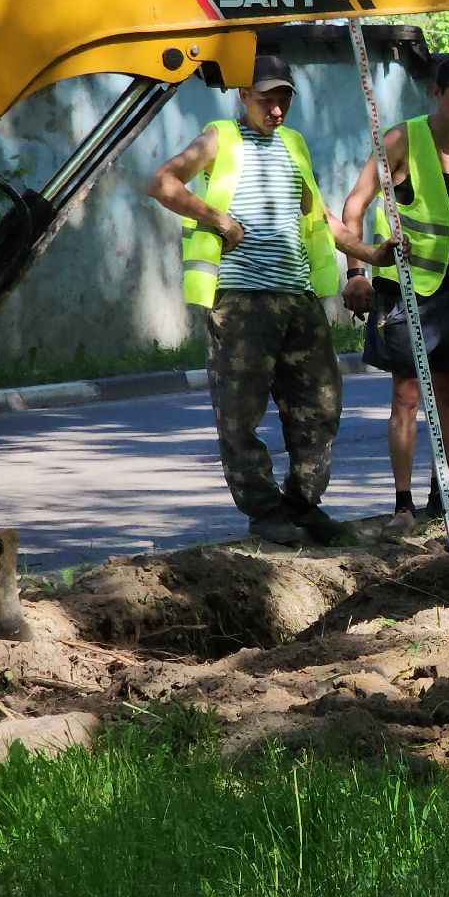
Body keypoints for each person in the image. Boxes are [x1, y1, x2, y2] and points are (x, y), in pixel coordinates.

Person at [146, 55, 399, 546]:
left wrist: (370, 254)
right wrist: (216, 218)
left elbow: (321, 219)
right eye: (267, 99)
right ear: (244, 96)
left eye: (284, 98)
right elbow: (162, 183)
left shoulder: (294, 144)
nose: (277, 108)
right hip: (241, 299)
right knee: (240, 412)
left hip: (297, 296)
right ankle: (264, 512)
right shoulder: (220, 137)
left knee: (321, 404)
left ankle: (302, 505)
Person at [341, 56, 449, 535]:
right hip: (406, 290)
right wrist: (357, 272)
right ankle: (402, 506)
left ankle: (443, 498)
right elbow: (355, 204)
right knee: (407, 397)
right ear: (437, 93)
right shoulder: (402, 140)